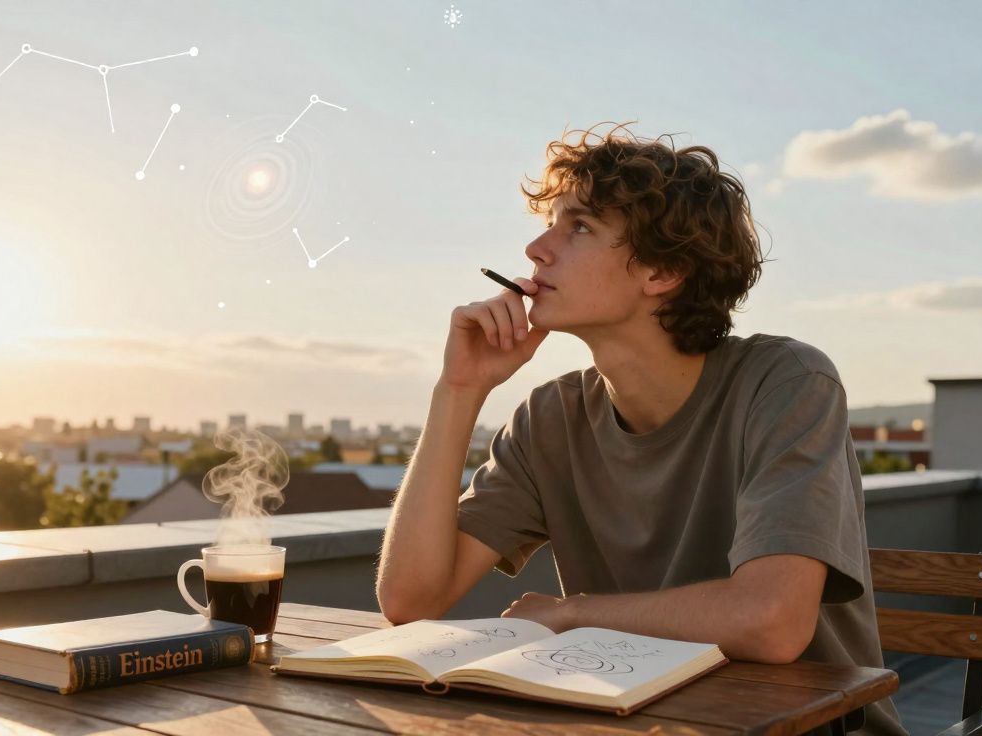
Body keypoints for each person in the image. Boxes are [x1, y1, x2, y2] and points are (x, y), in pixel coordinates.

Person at [376, 124, 904, 734]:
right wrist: (458, 391)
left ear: (662, 272)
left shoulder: (786, 382)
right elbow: (411, 600)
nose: (536, 248)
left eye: (578, 227)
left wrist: (574, 615)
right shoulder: (551, 417)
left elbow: (771, 622)